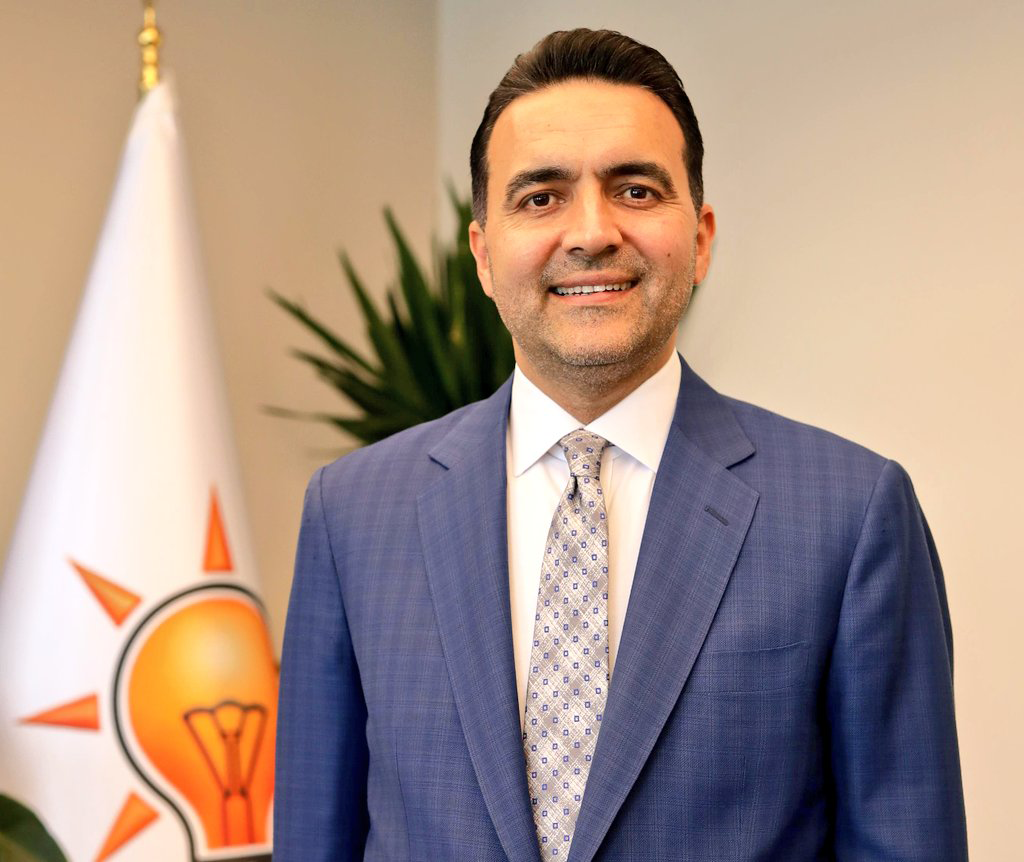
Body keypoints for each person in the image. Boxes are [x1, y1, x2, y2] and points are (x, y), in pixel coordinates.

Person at [274, 28, 967, 862]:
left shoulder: (851, 515)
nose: (592, 232)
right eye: (541, 197)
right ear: (484, 255)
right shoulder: (353, 514)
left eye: (635, 190)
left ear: (700, 238)